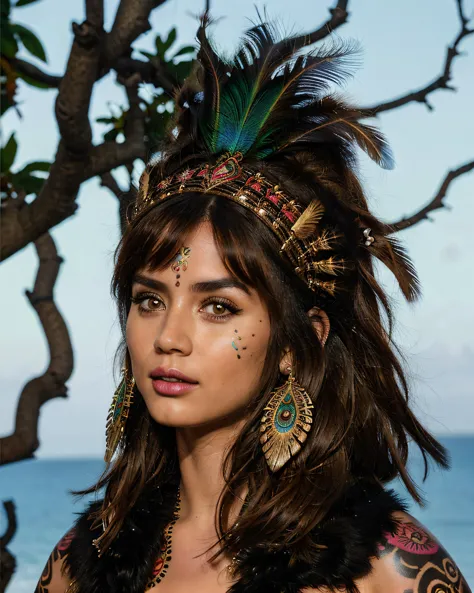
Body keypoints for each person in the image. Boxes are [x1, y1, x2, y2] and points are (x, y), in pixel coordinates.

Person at [35, 17, 470, 593]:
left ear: (298, 340)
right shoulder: (81, 564)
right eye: (149, 299)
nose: (170, 336)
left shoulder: (386, 569)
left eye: (218, 307)